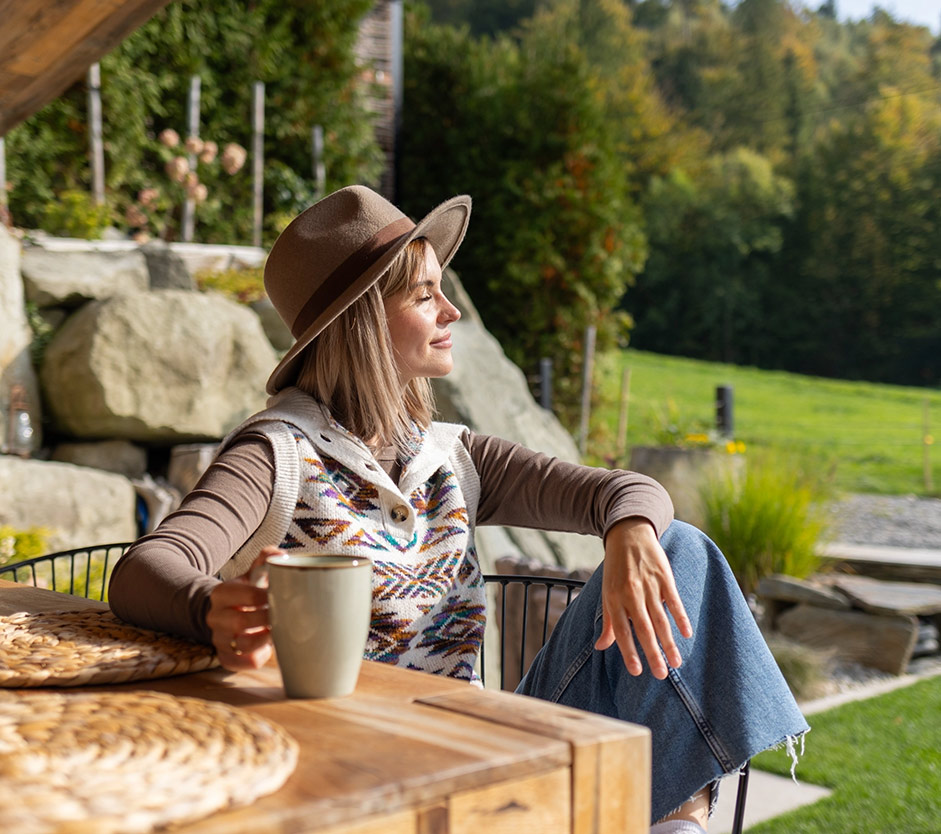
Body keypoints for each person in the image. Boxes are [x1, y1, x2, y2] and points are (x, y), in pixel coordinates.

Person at [109, 185, 808, 833]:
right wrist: (212, 608)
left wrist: (625, 532)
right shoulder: (276, 457)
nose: (452, 314)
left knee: (677, 545)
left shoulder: (450, 456)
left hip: (480, 747)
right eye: (424, 297)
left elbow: (626, 490)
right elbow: (147, 567)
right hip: (352, 777)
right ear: (359, 324)